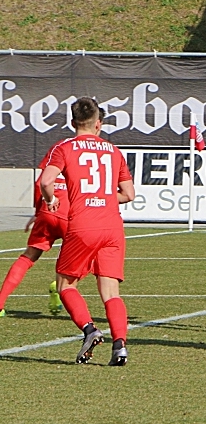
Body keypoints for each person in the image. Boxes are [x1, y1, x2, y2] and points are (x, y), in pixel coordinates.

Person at [38, 98, 136, 365]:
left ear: (73, 123)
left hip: (83, 224)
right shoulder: (113, 151)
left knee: (65, 284)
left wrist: (50, 200)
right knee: (111, 292)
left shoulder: (64, 147)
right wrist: (103, 196)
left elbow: (46, 181)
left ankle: (90, 329)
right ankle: (120, 346)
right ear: (98, 124)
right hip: (112, 226)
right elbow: (129, 194)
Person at [0, 141, 71, 317]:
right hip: (72, 215)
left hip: (48, 211)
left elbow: (41, 182)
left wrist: (38, 211)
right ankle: (60, 286)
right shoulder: (91, 150)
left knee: (28, 256)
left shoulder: (58, 147)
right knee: (89, 258)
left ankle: (0, 302)